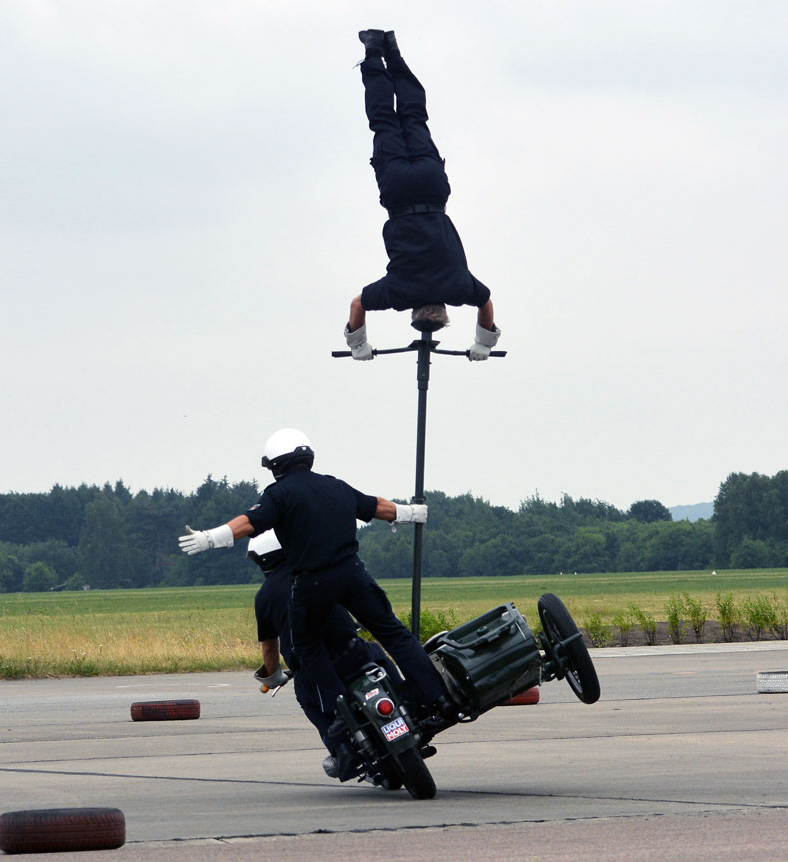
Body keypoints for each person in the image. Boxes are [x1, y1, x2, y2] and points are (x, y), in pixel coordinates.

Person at [178, 428, 457, 765]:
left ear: (276, 465)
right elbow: (376, 506)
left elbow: (249, 522)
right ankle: (439, 698)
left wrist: (211, 537)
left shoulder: (279, 494)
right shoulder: (335, 486)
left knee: (308, 648)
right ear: (308, 457)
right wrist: (410, 513)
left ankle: (340, 714)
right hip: (353, 574)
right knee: (394, 633)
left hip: (313, 583)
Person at [344, 29, 500, 362]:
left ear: (444, 309)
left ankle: (394, 52)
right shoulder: (398, 294)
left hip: (432, 189)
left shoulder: (459, 287)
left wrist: (484, 342)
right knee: (384, 121)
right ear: (413, 311)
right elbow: (358, 304)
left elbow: (486, 303)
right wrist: (357, 345)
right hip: (399, 193)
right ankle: (374, 51)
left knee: (415, 118)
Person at [247, 528, 403, 780]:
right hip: (352, 652)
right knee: (377, 653)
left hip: (314, 671)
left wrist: (273, 676)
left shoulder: (264, 597)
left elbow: (269, 647)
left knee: (307, 698)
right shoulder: (319, 571)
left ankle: (341, 749)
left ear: (263, 561)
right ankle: (407, 700)